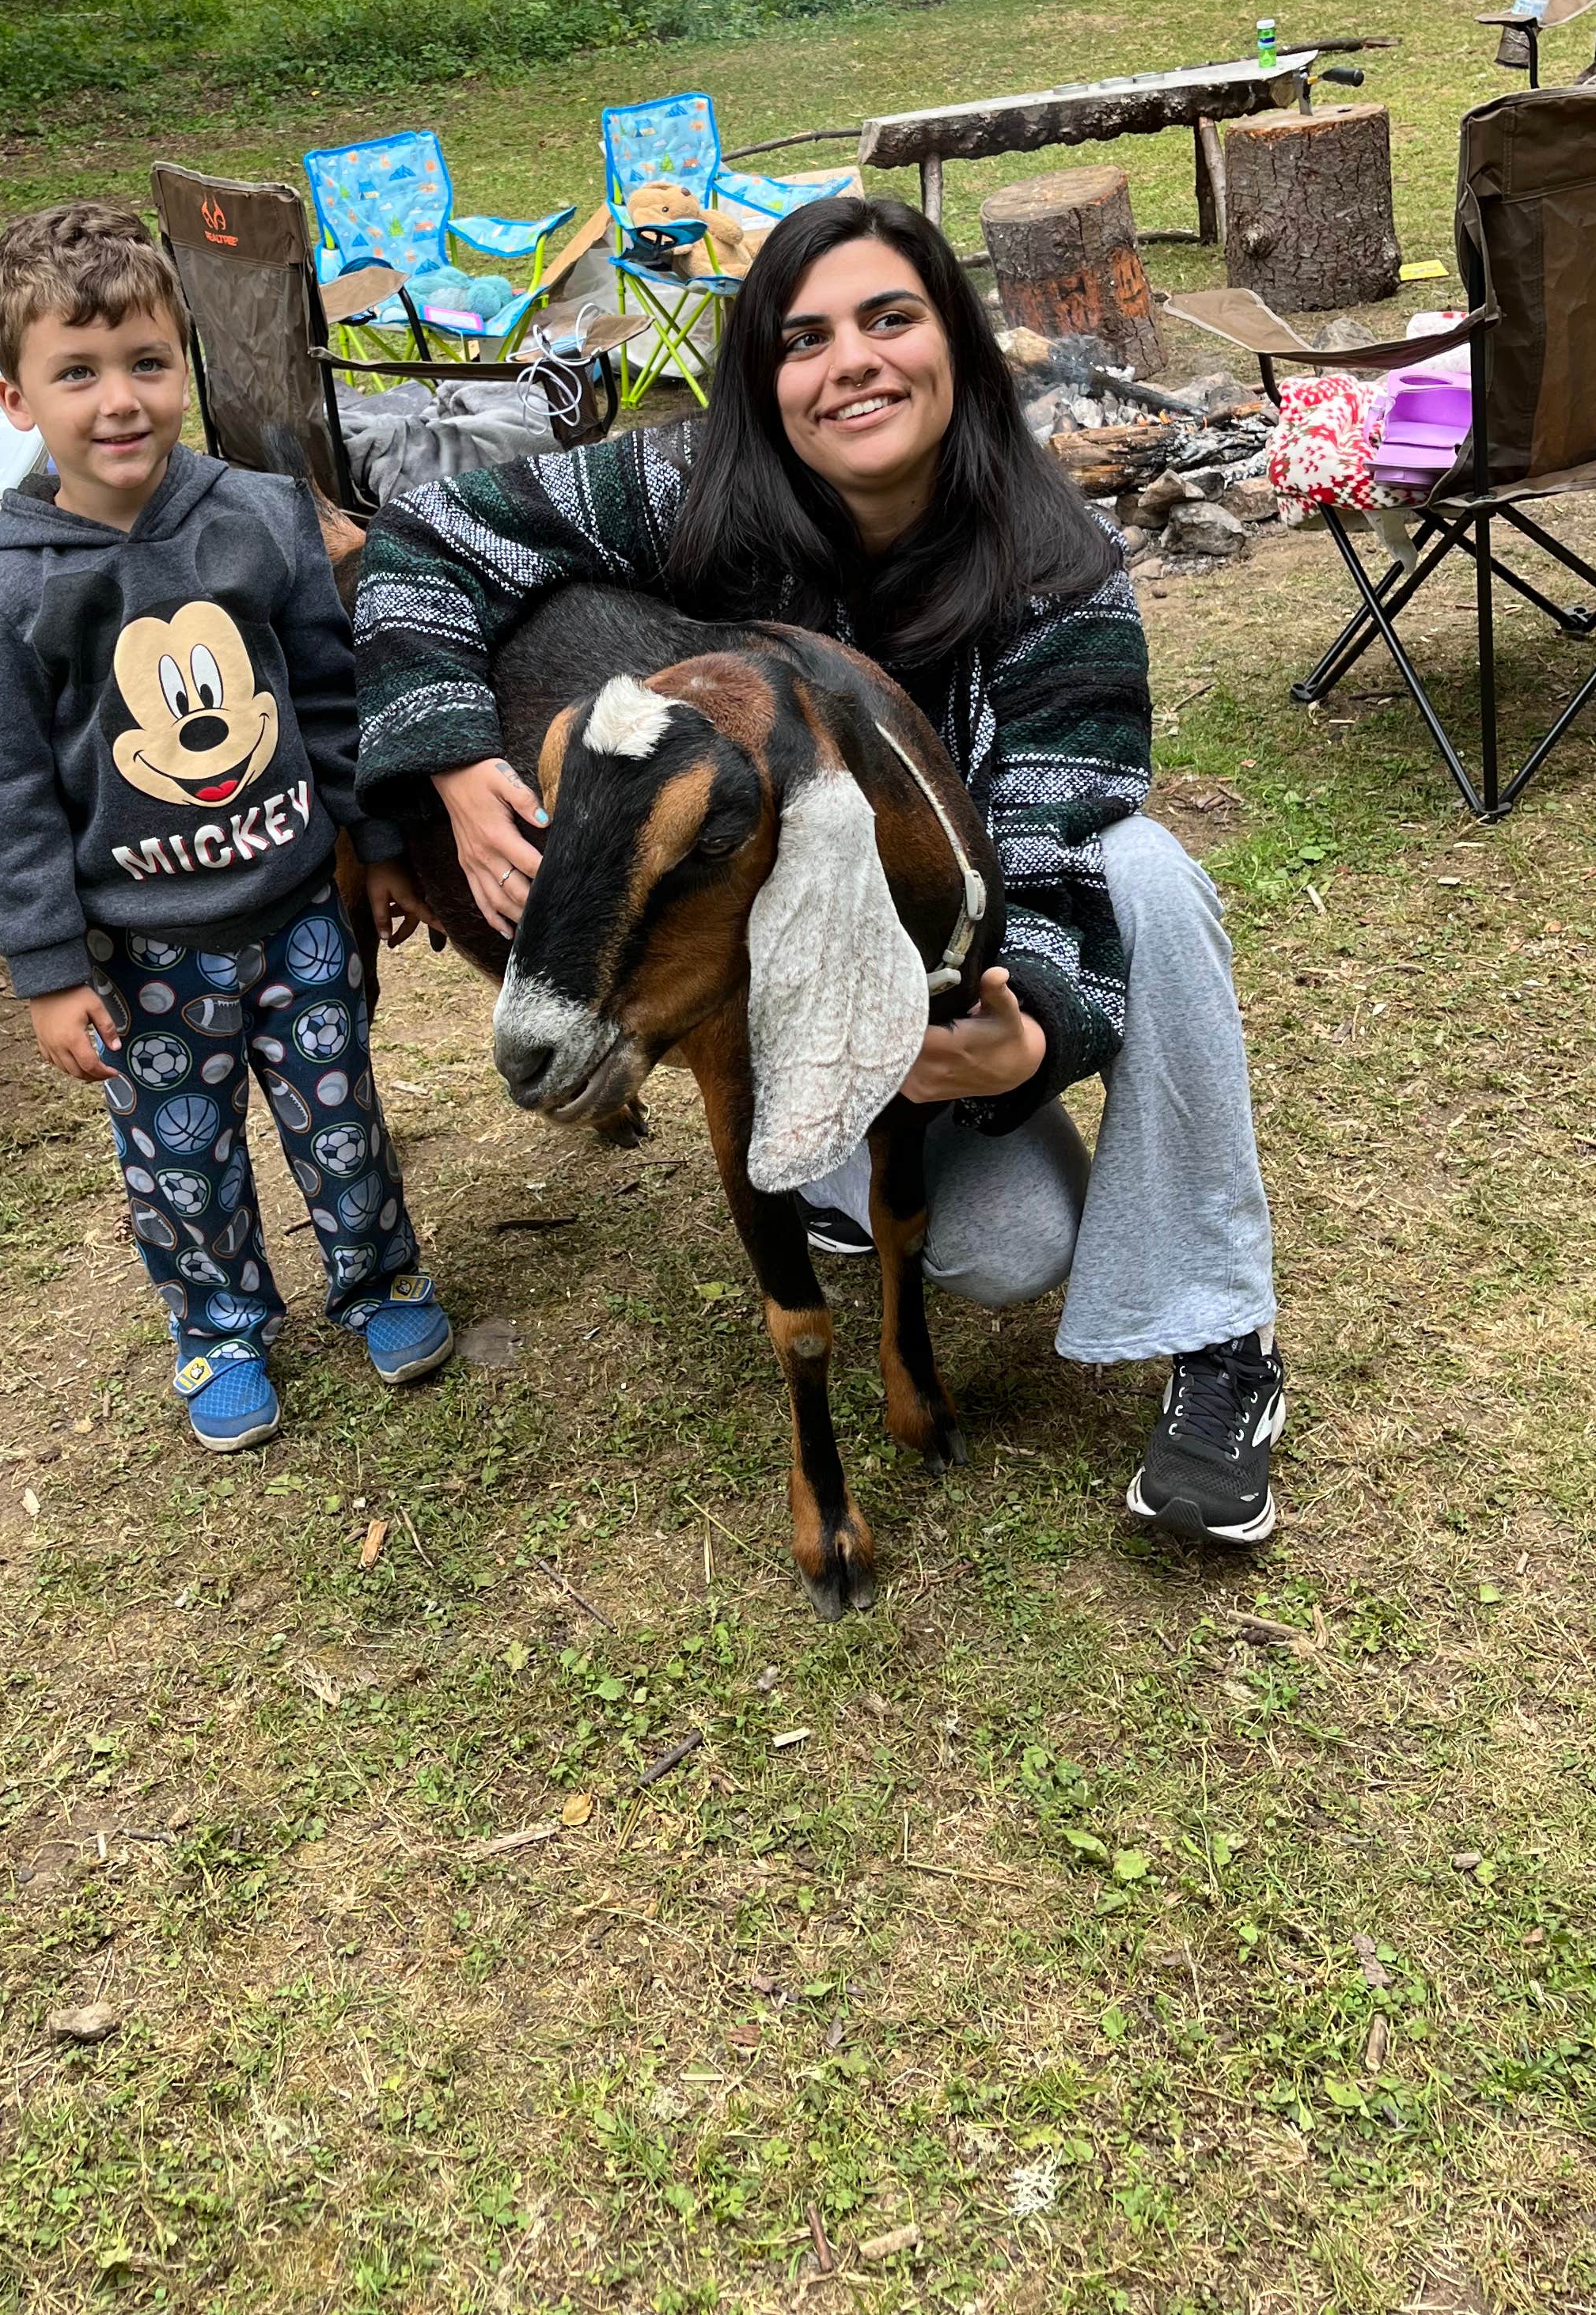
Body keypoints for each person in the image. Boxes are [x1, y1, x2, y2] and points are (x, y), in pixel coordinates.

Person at [353, 195, 1283, 1546]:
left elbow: (1060, 844)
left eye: (888, 319)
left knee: (1144, 868)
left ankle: (1222, 1341)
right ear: (764, 379)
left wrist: (1031, 1045)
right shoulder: (684, 492)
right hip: (776, 989)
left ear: (954, 346)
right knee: (1005, 1249)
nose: (850, 360)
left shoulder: (1061, 577)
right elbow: (426, 539)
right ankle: (836, 1167)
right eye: (804, 337)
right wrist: (447, 760)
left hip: (955, 951)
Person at [0, 200, 449, 1454]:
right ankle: (219, 1324)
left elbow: (334, 701)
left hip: (297, 913)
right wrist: (50, 974)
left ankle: (378, 1275)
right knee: (183, 1159)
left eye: (147, 364)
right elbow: (14, 797)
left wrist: (377, 847)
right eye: (77, 373)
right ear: (18, 400)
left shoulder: (263, 517)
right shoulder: (8, 592)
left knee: (340, 1117)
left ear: (186, 367)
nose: (119, 401)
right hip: (142, 955)